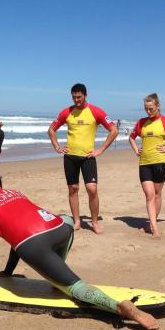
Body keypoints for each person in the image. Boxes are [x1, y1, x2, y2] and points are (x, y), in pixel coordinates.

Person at [0, 169, 159, 330]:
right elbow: (17, 235)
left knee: (75, 287)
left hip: (34, 244)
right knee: (65, 220)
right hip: (61, 228)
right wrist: (8, 272)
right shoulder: (15, 192)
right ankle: (56, 275)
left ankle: (118, 307)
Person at [48, 83, 118, 234]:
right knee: (73, 189)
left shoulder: (95, 111)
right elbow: (51, 129)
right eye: (74, 97)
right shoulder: (67, 112)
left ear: (86, 95)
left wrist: (101, 149)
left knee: (92, 189)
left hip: (88, 157)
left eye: (79, 97)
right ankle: (77, 220)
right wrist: (57, 147)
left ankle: (94, 222)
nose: (76, 100)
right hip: (70, 157)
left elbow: (113, 130)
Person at [129, 94, 165, 238]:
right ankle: (154, 227)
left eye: (151, 109)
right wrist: (137, 150)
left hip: (161, 163)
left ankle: (151, 223)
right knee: (149, 195)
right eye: (146, 109)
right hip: (144, 163)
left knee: (157, 194)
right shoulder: (141, 122)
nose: (148, 112)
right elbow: (131, 137)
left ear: (158, 106)